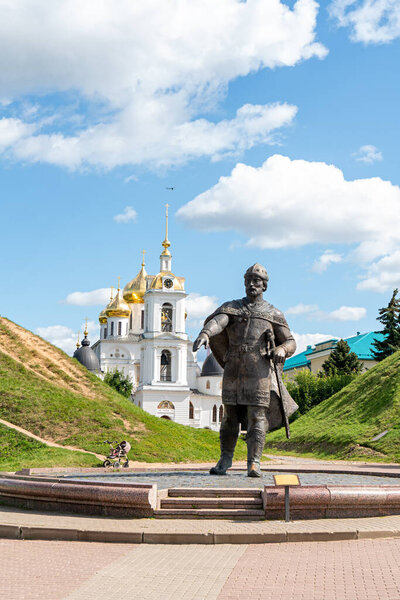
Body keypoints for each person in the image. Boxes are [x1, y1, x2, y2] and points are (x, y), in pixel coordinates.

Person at [193, 263, 298, 477]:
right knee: (230, 416)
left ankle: (254, 462)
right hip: (233, 369)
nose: (252, 284)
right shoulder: (233, 307)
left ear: (264, 286)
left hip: (259, 371)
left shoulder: (273, 313)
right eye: (248, 281)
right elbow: (218, 322)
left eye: (256, 281)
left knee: (257, 416)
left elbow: (290, 341)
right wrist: (205, 333)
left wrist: (282, 349)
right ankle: (225, 459)